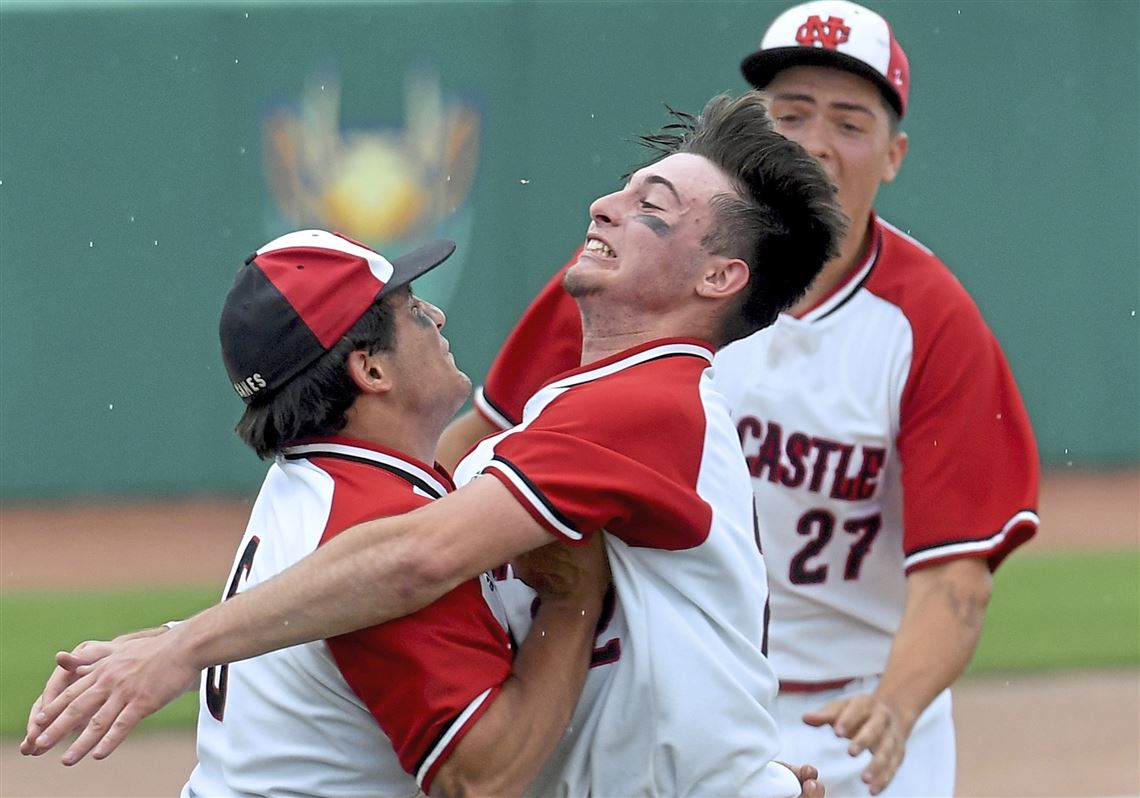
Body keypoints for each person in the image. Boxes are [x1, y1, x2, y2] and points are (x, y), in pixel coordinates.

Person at [24, 91, 843, 797]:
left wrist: (182, 642)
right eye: (410, 306)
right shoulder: (516, 443)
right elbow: (414, 579)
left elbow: (415, 558)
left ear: (720, 279)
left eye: (651, 207)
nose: (603, 205)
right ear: (367, 367)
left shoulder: (638, 406)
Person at [435, 2, 1041, 795]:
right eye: (791, 112)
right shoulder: (639, 278)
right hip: (667, 693)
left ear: (893, 155)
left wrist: (895, 707)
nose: (816, 140)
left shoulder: (930, 323)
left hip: (849, 714)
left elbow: (954, 578)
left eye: (849, 121)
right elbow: (472, 447)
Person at [134, 229, 612, 797]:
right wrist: (572, 602)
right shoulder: (378, 522)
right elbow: (482, 776)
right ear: (372, 371)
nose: (434, 314)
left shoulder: (316, 480)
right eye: (410, 310)